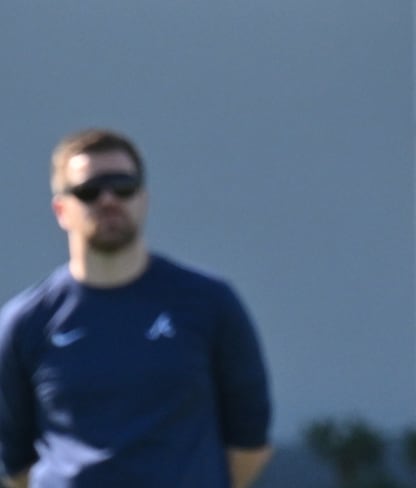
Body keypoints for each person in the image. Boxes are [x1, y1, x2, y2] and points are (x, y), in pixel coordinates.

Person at [0, 129, 274, 488]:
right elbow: (15, 460)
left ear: (143, 198)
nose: (109, 199)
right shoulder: (25, 323)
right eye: (90, 190)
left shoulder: (209, 304)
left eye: (123, 186)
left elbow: (250, 442)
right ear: (61, 209)